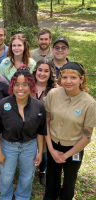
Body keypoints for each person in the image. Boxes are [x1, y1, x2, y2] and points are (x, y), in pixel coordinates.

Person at [0, 65, 47, 200]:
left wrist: (39, 152)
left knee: (27, 176)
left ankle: (22, 196)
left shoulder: (39, 106)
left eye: (25, 84)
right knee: (6, 176)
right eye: (17, 84)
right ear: (12, 86)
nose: (20, 88)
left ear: (31, 86)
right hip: (8, 146)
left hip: (30, 146)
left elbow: (40, 131)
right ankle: (6, 196)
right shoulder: (2, 105)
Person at [43, 62, 96, 200]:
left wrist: (65, 156)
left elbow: (87, 137)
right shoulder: (53, 94)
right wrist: (51, 149)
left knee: (69, 180)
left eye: (73, 77)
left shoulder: (89, 103)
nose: (68, 81)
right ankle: (50, 196)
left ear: (81, 79)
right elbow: (46, 123)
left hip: (74, 148)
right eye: (64, 77)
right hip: (53, 144)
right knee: (51, 176)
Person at [32, 58, 56, 185]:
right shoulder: (28, 85)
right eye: (40, 70)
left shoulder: (55, 89)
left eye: (46, 71)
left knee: (44, 151)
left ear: (50, 73)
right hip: (29, 125)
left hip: (46, 126)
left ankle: (42, 171)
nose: (42, 73)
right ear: (35, 70)